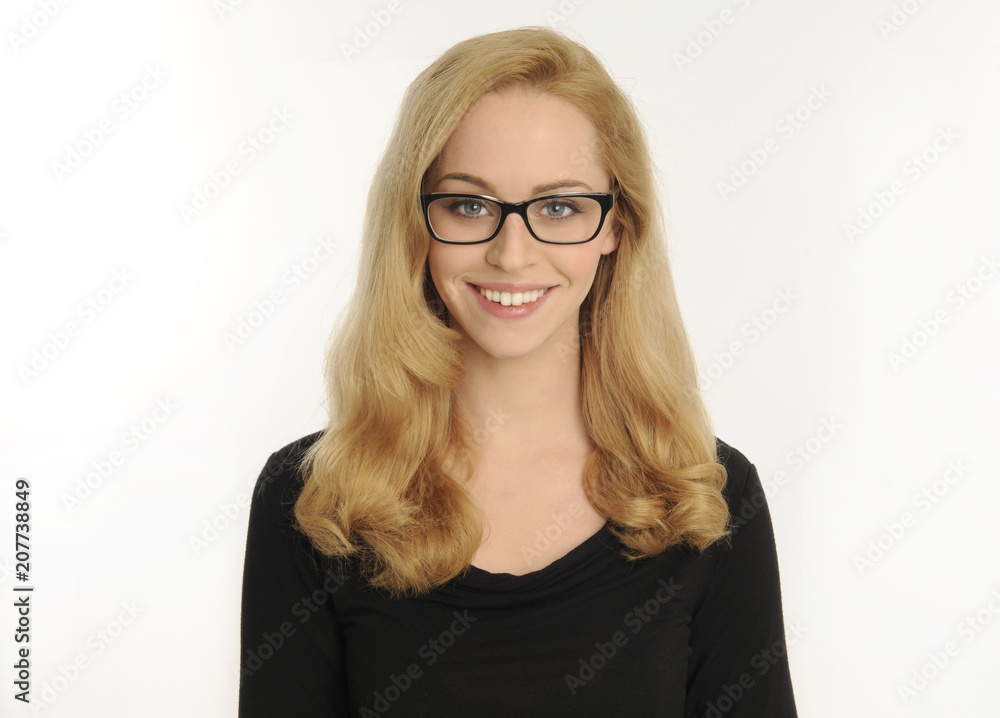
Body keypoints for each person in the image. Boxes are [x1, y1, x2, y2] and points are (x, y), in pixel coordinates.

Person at [238, 26, 798, 717]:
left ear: (615, 226)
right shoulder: (314, 501)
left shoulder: (706, 498)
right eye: (468, 205)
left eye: (559, 207)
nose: (512, 254)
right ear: (415, 221)